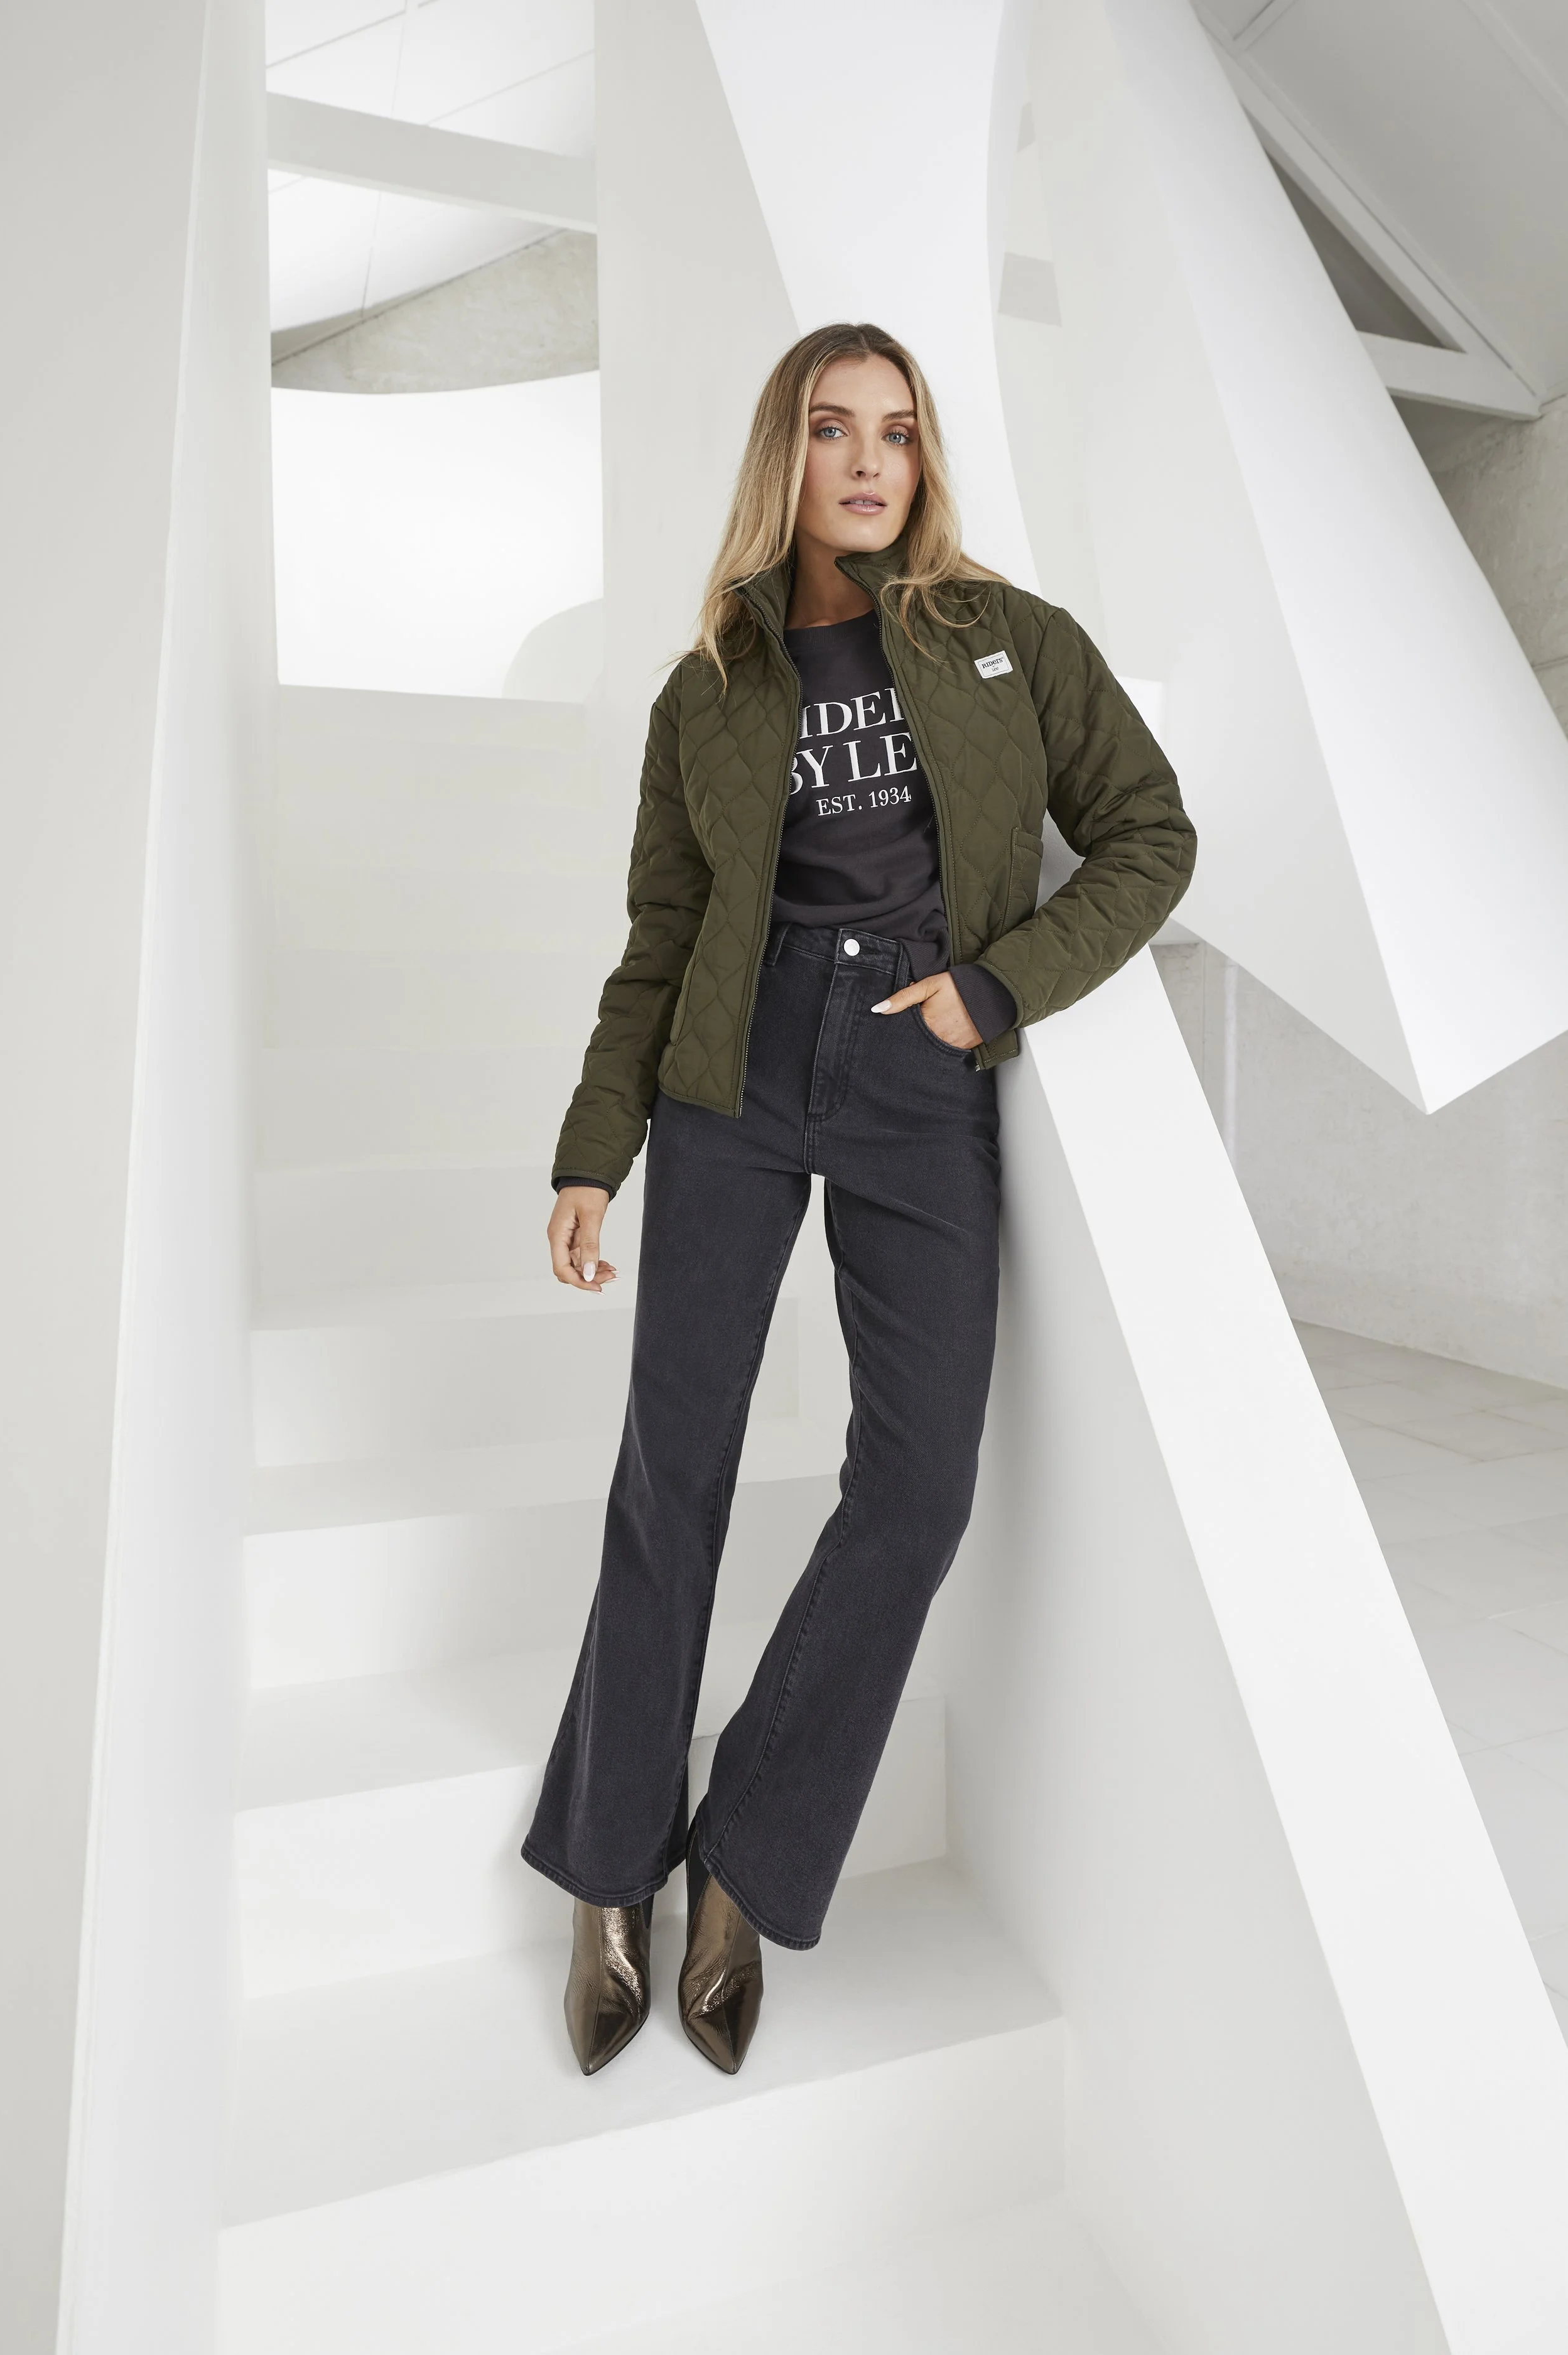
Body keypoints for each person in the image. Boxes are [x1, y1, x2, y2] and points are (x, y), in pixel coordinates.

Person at [522, 321, 1196, 2077]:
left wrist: (999, 987)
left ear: (923, 457)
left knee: (916, 1486)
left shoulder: (1007, 640)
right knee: (673, 1473)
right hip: (733, 1075)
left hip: (916, 1068)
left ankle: (746, 1859)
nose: (871, 460)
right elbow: (662, 937)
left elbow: (1150, 832)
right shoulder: (708, 687)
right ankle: (607, 1868)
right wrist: (594, 1149)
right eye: (834, 429)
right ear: (786, 455)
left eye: (897, 430)